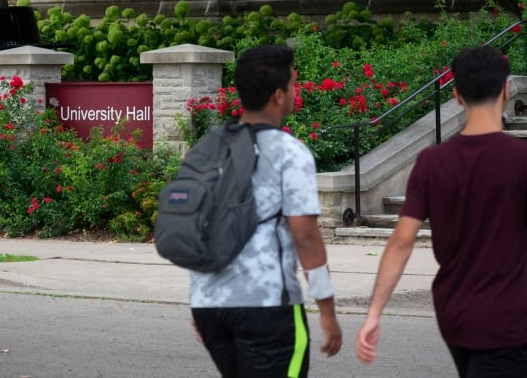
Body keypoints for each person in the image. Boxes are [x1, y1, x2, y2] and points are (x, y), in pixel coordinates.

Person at [355, 45, 527, 377]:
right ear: (506, 90)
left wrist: (374, 312)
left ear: (456, 95)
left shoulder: (431, 163)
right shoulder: (520, 160)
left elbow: (401, 242)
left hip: (455, 313)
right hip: (508, 319)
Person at [189, 45, 342, 378]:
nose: (294, 91)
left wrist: (201, 296)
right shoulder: (290, 152)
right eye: (293, 84)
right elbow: (305, 237)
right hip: (266, 306)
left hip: (211, 305)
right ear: (277, 95)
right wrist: (327, 309)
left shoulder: (209, 148)